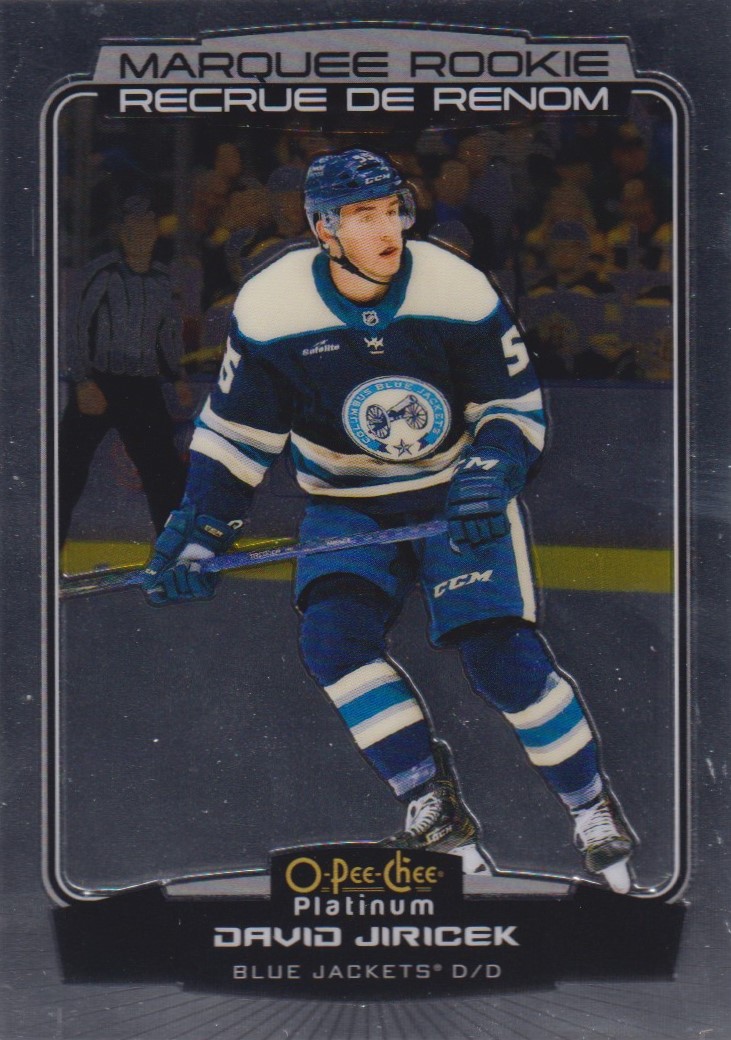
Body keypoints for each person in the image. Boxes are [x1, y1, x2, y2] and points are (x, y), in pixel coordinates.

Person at [142, 150, 635, 892]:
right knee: (332, 642)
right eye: (363, 216)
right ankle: (431, 803)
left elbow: (513, 409)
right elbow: (237, 436)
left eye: (391, 210)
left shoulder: (456, 287)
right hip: (345, 501)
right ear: (323, 228)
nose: (387, 229)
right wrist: (201, 531)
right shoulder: (272, 305)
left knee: (500, 656)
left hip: (454, 497)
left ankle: (590, 807)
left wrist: (489, 472)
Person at [59, 196, 190, 547]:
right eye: (132, 227)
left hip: (142, 386)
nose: (140, 234)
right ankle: (42, 553)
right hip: (100, 382)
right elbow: (75, 327)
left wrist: (177, 375)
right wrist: (82, 380)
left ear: (155, 232)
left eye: (146, 226)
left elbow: (168, 334)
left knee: (165, 473)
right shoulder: (101, 273)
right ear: (121, 232)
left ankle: (173, 554)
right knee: (66, 471)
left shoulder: (162, 280)